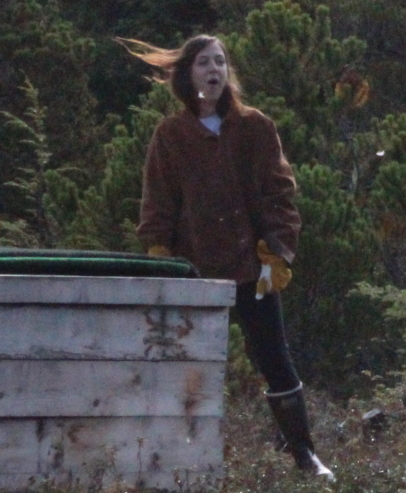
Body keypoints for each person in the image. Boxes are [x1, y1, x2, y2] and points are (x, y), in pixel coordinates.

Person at [134, 33, 334, 480]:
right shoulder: (171, 134)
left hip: (252, 267)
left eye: (221, 62)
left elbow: (280, 193)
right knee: (186, 367)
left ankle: (304, 454)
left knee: (274, 359)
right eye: (205, 62)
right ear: (188, 74)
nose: (214, 70)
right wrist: (161, 253)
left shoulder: (255, 127)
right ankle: (179, 461)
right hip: (195, 272)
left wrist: (277, 251)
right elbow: (158, 201)